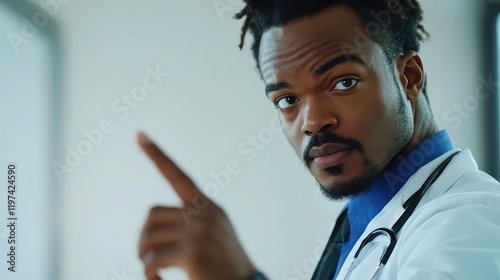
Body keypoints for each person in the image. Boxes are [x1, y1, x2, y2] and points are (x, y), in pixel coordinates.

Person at [137, 0, 500, 279]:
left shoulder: (469, 224)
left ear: (409, 77)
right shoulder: (363, 222)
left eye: (343, 82)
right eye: (287, 100)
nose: (312, 122)